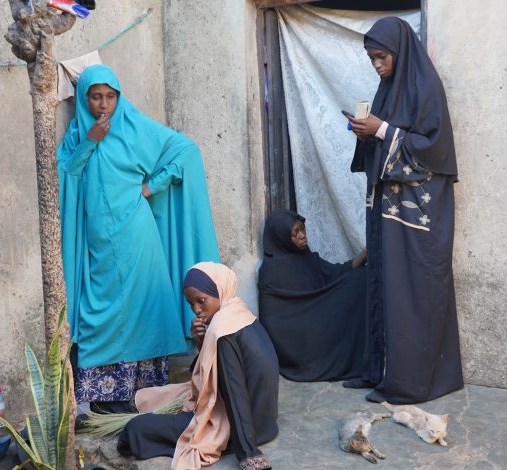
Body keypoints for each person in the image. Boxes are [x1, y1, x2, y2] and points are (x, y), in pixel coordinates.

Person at [57, 65, 220, 414]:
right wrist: (90, 142)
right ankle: (104, 395)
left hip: (136, 232)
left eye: (110, 96)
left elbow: (185, 152)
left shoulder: (135, 127)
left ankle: (143, 391)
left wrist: (152, 186)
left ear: (119, 97)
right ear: (84, 100)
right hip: (98, 239)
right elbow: (67, 174)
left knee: (141, 303)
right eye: (96, 97)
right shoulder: (76, 135)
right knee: (101, 305)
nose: (104, 105)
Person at [345, 17, 464, 404]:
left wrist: (381, 131)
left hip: (416, 217)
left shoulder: (426, 87)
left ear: (400, 51)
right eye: (371, 59)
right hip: (387, 211)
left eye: (381, 57)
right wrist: (367, 131)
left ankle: (410, 381)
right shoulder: (387, 90)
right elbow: (386, 138)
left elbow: (434, 148)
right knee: (383, 282)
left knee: (411, 290)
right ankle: (379, 371)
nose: (377, 65)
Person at [117, 262, 279, 470]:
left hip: (241, 427)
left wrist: (249, 454)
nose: (196, 310)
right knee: (161, 395)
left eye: (201, 301)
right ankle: (115, 410)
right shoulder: (238, 312)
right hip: (265, 422)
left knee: (137, 428)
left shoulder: (222, 331)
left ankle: (124, 419)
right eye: (191, 303)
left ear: (219, 292)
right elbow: (210, 373)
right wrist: (201, 342)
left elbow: (234, 393)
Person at [257, 208, 370, 383]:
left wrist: (365, 254)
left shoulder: (304, 257)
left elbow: (335, 273)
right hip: (300, 341)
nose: (303, 235)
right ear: (281, 236)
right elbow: (274, 323)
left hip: (318, 321)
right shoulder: (272, 272)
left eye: (303, 229)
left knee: (363, 277)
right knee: (358, 283)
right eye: (296, 232)